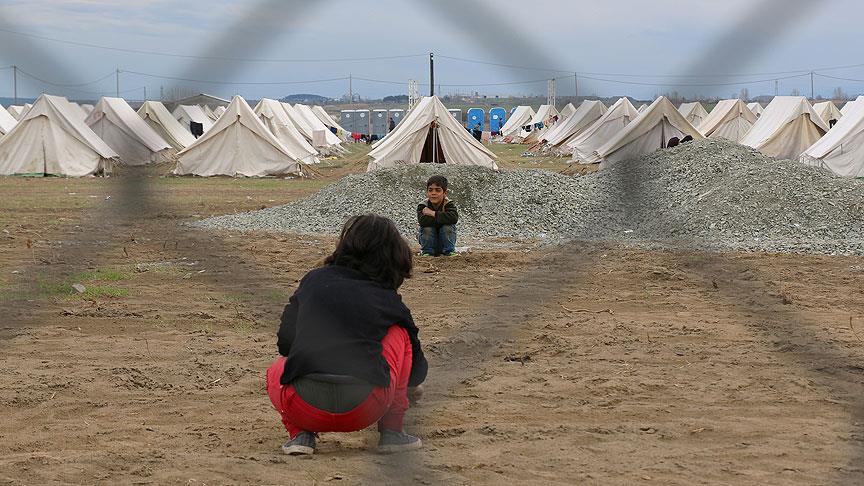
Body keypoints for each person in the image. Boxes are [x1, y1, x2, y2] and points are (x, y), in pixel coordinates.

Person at [266, 214, 428, 456]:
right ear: (394, 257)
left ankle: (300, 435)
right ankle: (392, 432)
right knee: (399, 332)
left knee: (278, 368)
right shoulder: (387, 298)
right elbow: (418, 368)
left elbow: (286, 344)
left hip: (303, 406)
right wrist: (412, 387)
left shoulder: (313, 281)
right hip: (365, 408)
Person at [417, 175, 458, 257]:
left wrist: (433, 213)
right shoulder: (423, 205)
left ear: (445, 193)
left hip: (445, 243)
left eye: (438, 190)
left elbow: (453, 218)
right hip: (429, 242)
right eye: (430, 190)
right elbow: (423, 221)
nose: (433, 193)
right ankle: (427, 252)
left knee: (447, 228)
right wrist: (443, 218)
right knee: (427, 229)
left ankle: (449, 251)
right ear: (427, 192)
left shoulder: (448, 204)